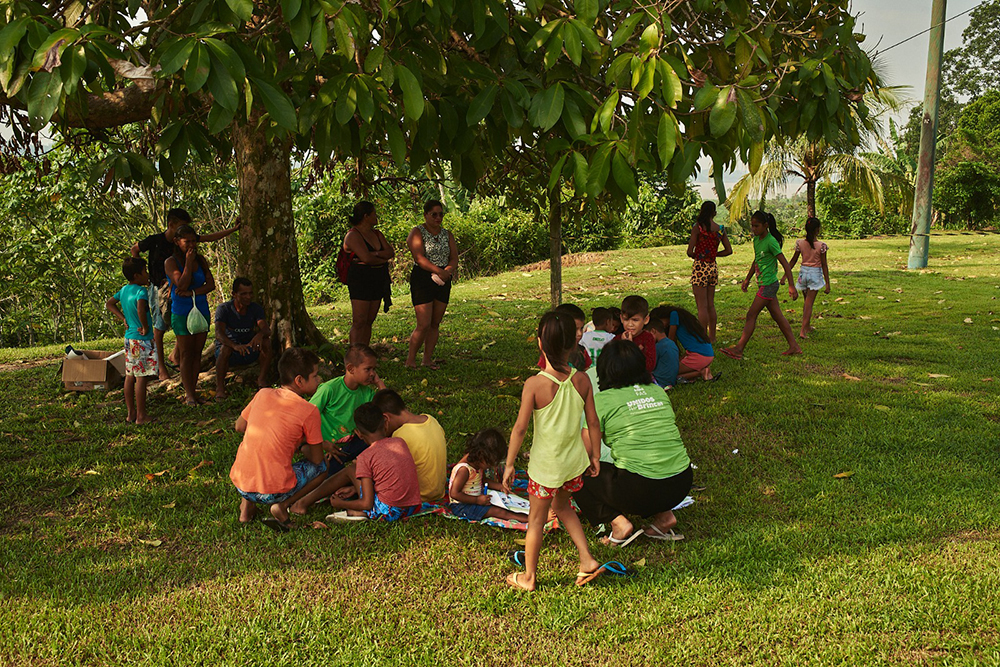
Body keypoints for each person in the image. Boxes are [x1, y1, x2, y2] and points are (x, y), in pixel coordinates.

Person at [502, 311, 603, 592]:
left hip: (546, 468)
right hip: (573, 463)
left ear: (540, 343)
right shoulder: (582, 380)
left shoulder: (534, 384)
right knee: (563, 506)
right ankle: (586, 559)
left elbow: (520, 429)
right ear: (573, 343)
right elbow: (593, 422)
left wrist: (509, 464)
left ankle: (529, 577)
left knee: (536, 520)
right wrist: (594, 456)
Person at [575, 340, 692, 544]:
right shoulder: (658, 392)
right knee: (651, 466)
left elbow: (583, 451)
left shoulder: (602, 400)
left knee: (576, 472)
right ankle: (665, 517)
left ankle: (619, 524)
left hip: (639, 488)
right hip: (681, 482)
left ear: (604, 370)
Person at [131, 208, 238, 381]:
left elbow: (210, 237)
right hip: (159, 286)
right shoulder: (156, 241)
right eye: (182, 227)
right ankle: (162, 368)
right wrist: (139, 276)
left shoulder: (189, 243)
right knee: (160, 325)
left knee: (184, 326)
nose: (190, 241)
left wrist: (233, 230)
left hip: (180, 289)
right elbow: (134, 249)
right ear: (172, 226)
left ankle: (176, 356)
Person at [229, 347, 329, 531]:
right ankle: (282, 506)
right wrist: (302, 445)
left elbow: (239, 426)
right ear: (299, 380)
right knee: (323, 467)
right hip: (272, 493)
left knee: (253, 447)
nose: (319, 380)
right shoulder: (309, 411)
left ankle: (246, 509)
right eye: (315, 376)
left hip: (241, 483)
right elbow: (316, 459)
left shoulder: (263, 394)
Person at [722, 211, 802, 360]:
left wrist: (791, 285)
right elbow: (756, 260)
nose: (753, 229)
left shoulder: (771, 241)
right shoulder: (757, 240)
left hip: (769, 285)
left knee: (751, 314)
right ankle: (794, 346)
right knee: (778, 316)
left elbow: (785, 263)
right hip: (763, 284)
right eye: (752, 226)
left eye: (756, 226)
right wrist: (747, 279)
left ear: (766, 225)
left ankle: (739, 349)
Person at [324, 403, 424, 522]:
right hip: (411, 507)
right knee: (354, 472)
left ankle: (306, 502)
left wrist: (340, 503)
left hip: (388, 513)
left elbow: (366, 503)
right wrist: (354, 489)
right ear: (386, 423)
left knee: (351, 470)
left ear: (359, 433)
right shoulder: (399, 442)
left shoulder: (365, 456)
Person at [309, 343, 386, 474]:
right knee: (331, 473)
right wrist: (321, 444)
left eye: (374, 369)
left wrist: (379, 383)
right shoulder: (329, 389)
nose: (373, 374)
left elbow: (387, 409)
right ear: (350, 368)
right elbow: (307, 417)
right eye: (368, 369)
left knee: (381, 438)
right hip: (326, 448)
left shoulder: (367, 393)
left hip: (350, 444)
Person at [164, 224, 216, 405]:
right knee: (186, 354)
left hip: (201, 310)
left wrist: (194, 293)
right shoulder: (171, 262)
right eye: (187, 242)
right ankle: (189, 394)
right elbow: (182, 285)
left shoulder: (200, 260)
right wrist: (187, 263)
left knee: (197, 352)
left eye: (194, 241)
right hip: (181, 312)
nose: (192, 245)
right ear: (178, 242)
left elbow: (211, 285)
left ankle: (194, 389)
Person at [406, 199, 458, 370]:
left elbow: (454, 257)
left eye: (441, 214)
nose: (438, 218)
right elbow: (419, 258)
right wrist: (438, 270)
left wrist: (447, 270)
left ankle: (427, 359)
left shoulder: (446, 234)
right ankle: (410, 360)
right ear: (425, 215)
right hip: (423, 278)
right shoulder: (417, 232)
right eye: (434, 214)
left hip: (443, 278)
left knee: (435, 323)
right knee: (423, 323)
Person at [105, 257, 157, 425]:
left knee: (130, 376)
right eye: (145, 271)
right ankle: (142, 416)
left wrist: (124, 318)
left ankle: (130, 414)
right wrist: (145, 326)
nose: (147, 274)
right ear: (137, 275)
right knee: (141, 378)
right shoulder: (141, 292)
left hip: (129, 339)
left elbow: (109, 304)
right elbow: (142, 309)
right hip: (142, 339)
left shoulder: (124, 290)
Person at [372, 388, 447, 502]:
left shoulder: (400, 435)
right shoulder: (431, 419)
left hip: (418, 496)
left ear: (385, 418)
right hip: (438, 493)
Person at [343, 201, 394, 346]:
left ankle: (364, 352)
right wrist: (380, 259)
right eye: (374, 214)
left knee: (369, 319)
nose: (376, 217)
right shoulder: (353, 235)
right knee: (359, 320)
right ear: (366, 216)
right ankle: (354, 354)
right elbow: (367, 258)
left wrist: (375, 254)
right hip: (360, 279)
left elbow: (390, 252)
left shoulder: (377, 234)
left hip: (377, 278)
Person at [449, 428, 527, 522]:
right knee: (499, 512)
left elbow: (483, 480)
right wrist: (476, 500)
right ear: (481, 455)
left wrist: (500, 487)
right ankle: (533, 520)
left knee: (505, 504)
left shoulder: (477, 463)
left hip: (477, 499)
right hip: (462, 506)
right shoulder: (464, 470)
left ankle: (530, 514)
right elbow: (454, 494)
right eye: (489, 463)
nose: (490, 467)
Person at [214, 277, 271, 400]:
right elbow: (219, 334)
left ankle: (261, 379)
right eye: (243, 294)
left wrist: (260, 335)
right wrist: (234, 345)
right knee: (225, 349)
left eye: (250, 293)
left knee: (267, 342)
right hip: (231, 350)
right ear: (234, 294)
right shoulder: (224, 309)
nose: (248, 297)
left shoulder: (255, 308)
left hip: (249, 348)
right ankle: (220, 387)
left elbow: (266, 329)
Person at [686, 201, 733, 342]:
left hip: (700, 266)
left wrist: (698, 255)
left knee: (701, 306)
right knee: (710, 305)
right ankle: (712, 337)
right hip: (713, 267)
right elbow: (729, 250)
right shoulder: (720, 229)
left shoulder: (698, 228)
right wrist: (714, 254)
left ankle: (702, 337)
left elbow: (689, 251)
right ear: (714, 213)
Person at [784, 217, 830, 339]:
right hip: (814, 275)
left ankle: (807, 326)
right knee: (809, 304)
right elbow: (824, 265)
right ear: (817, 230)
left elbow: (793, 260)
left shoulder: (800, 243)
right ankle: (803, 331)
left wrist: (784, 276)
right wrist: (828, 284)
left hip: (803, 273)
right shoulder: (821, 246)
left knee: (806, 302)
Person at [651, 304, 716, 382]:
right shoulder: (680, 317)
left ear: (662, 317)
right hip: (705, 353)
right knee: (670, 370)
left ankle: (700, 372)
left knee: (668, 374)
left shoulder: (674, 315)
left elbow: (669, 342)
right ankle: (700, 372)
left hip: (700, 355)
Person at [616, 295, 656, 372]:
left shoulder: (647, 338)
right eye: (626, 319)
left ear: (646, 320)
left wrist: (631, 347)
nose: (630, 324)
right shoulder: (617, 339)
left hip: (642, 381)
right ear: (621, 318)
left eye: (635, 320)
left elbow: (649, 366)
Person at [645, 317, 679, 389]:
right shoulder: (672, 343)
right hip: (671, 381)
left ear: (653, 331)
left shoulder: (658, 346)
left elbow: (650, 366)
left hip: (659, 381)